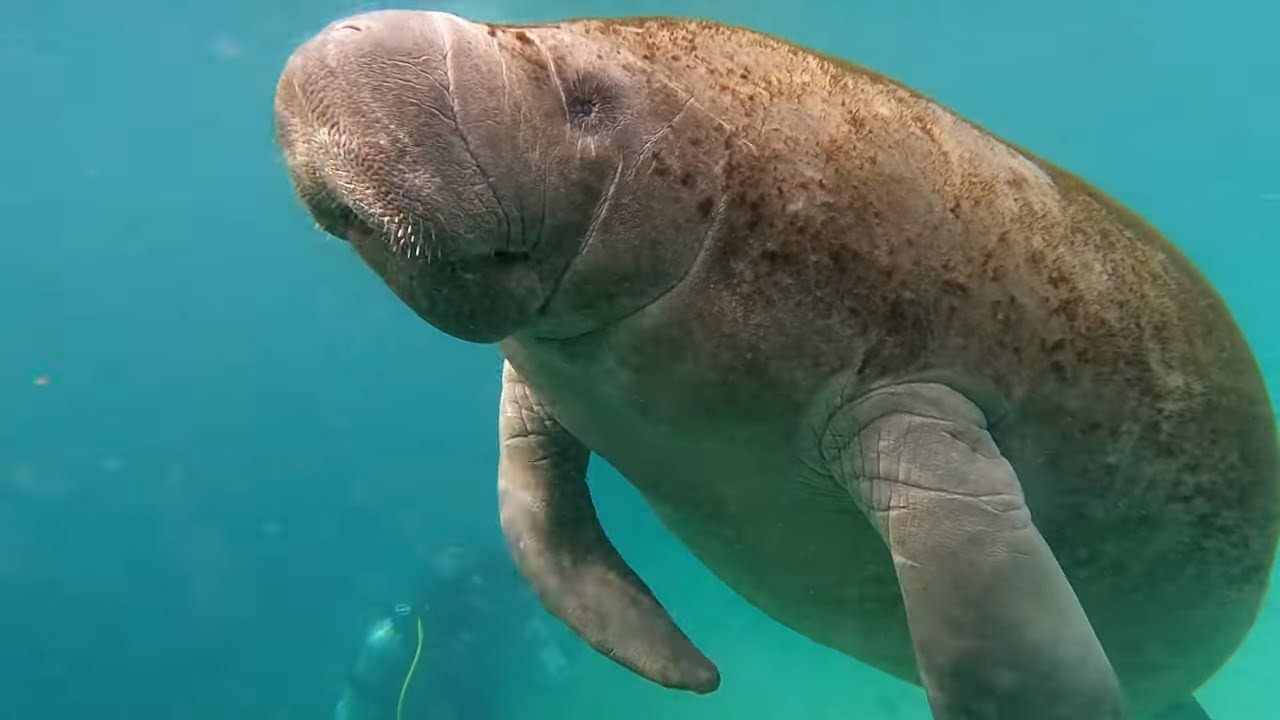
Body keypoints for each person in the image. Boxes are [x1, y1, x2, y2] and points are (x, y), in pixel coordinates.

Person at [334, 545, 568, 720]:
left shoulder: (506, 631)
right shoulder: (405, 632)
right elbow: (356, 700)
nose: (478, 602)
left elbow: (557, 679)